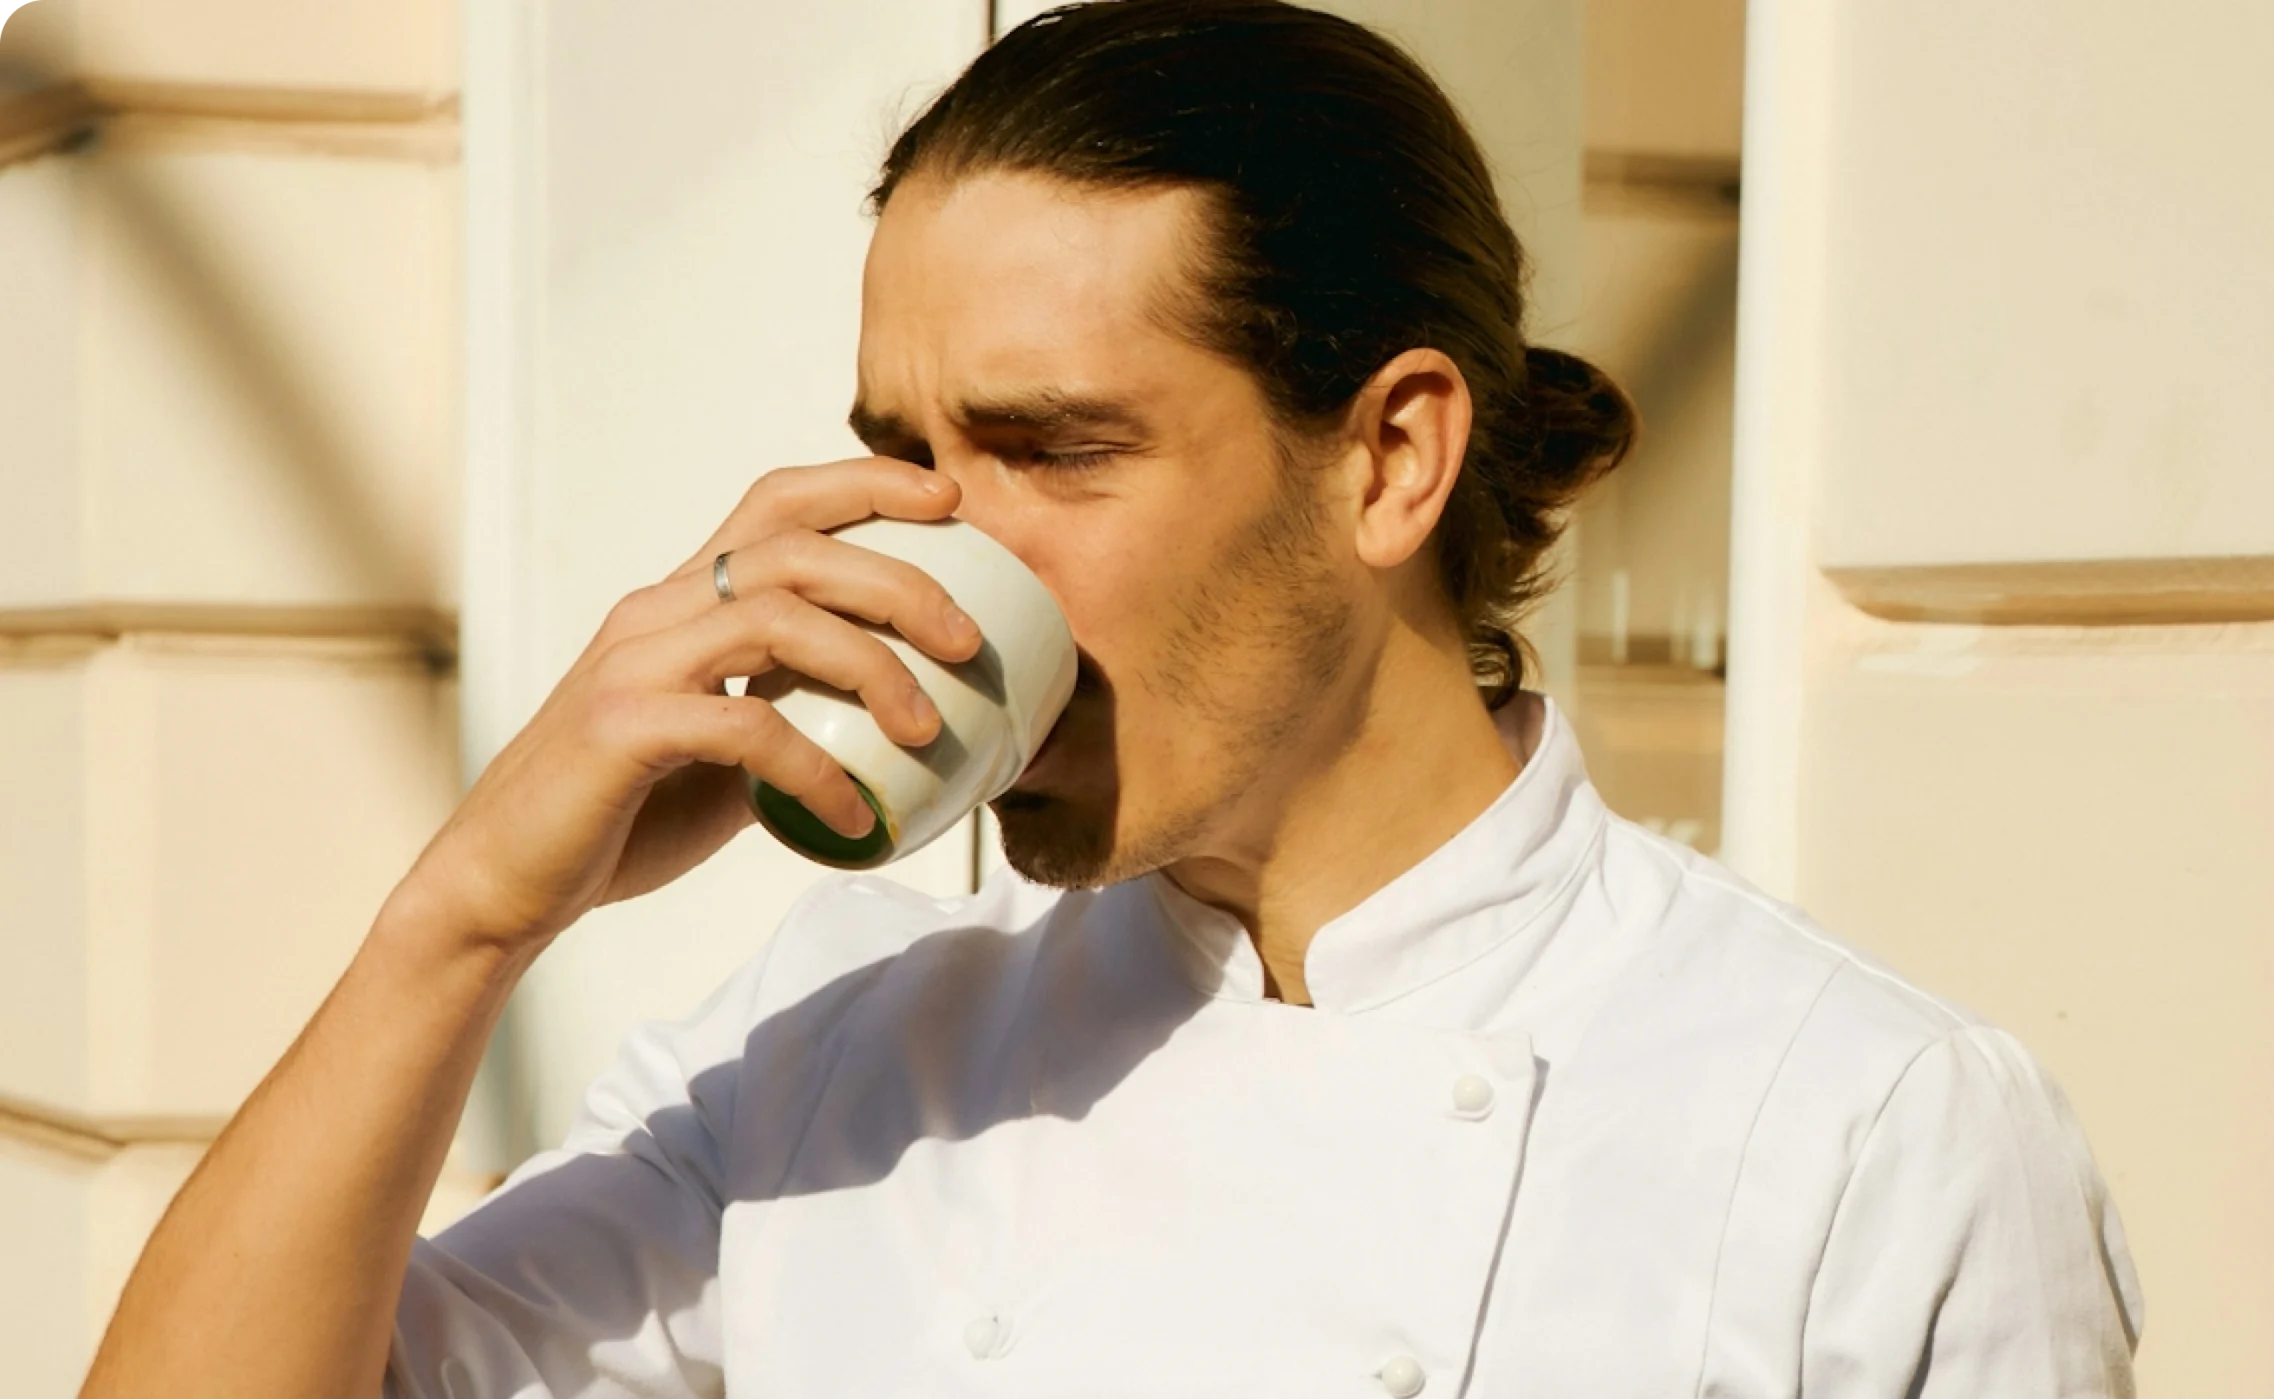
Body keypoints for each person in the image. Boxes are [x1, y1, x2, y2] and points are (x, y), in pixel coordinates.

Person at [80, 2, 2142, 1395]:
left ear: (1388, 461)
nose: (929, 566)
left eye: (1055, 450)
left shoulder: (1860, 1123)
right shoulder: (838, 1050)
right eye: (906, 450)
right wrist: (463, 919)